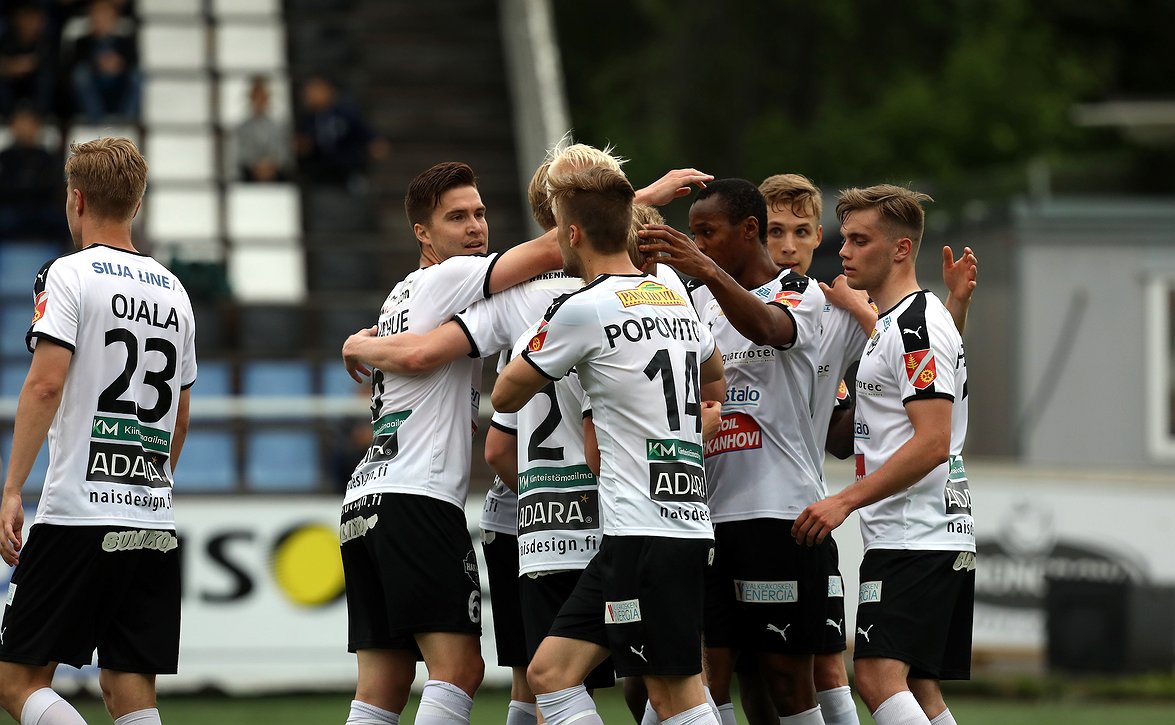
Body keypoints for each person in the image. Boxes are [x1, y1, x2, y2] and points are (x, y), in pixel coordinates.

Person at [493, 155, 724, 725]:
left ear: (570, 234)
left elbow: (504, 396)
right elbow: (714, 375)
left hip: (644, 532)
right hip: (667, 520)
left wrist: (543, 340)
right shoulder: (675, 300)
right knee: (551, 672)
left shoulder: (582, 309)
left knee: (675, 692)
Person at [336, 161, 562, 725]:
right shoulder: (447, 279)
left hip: (367, 498)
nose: (475, 227)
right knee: (459, 670)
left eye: (480, 213)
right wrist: (642, 197)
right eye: (456, 217)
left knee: (382, 686)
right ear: (422, 233)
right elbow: (561, 245)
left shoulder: (400, 294)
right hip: (418, 497)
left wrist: (355, 345)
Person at [0, 137, 197, 725]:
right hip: (150, 515)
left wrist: (12, 489)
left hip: (79, 513)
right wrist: (150, 488)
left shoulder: (66, 275)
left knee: (16, 679)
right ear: (136, 205)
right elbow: (180, 417)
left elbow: (44, 385)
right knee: (129, 689)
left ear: (76, 199)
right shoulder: (176, 291)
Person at [637, 179, 830, 725]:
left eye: (708, 233)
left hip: (778, 514)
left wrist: (707, 271)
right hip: (704, 515)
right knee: (701, 675)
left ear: (749, 231)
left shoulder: (799, 293)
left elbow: (769, 328)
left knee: (787, 680)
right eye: (693, 233)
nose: (699, 244)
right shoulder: (696, 304)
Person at [792, 185, 974, 725]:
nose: (842, 250)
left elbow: (933, 441)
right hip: (927, 531)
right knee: (920, 692)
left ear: (900, 249)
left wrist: (844, 500)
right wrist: (956, 308)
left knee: (875, 676)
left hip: (915, 534)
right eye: (843, 238)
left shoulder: (916, 324)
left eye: (858, 239)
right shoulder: (903, 322)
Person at [295, 75, 387, 190]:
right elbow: (302, 146)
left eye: (315, 91)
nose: (310, 96)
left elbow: (371, 138)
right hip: (319, 174)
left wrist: (372, 149)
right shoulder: (306, 119)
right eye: (308, 93)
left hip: (348, 170)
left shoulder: (345, 113)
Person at [0, 105, 65, 241]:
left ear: (37, 126)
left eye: (29, 123)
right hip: (11, 209)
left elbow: (53, 186)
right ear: (12, 126)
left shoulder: (47, 157)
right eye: (20, 122)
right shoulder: (4, 157)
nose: (25, 128)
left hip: (41, 210)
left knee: (64, 222)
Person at [68, 0, 140, 123]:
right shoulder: (81, 43)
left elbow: (133, 64)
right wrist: (96, 65)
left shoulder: (125, 42)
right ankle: (97, 123)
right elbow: (71, 69)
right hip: (94, 91)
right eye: (97, 15)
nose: (101, 20)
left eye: (106, 15)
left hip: (118, 89)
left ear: (115, 19)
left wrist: (118, 65)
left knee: (138, 75)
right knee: (80, 74)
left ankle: (127, 122)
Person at [234, 75, 293, 182]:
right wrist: (256, 167)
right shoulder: (242, 127)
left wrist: (271, 166)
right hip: (249, 178)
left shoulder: (280, 125)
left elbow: (284, 155)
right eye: (256, 96)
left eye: (263, 96)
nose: (259, 100)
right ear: (250, 97)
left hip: (278, 177)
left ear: (268, 97)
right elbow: (240, 156)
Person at [0, 3, 55, 117]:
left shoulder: (46, 40)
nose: (30, 23)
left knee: (46, 79)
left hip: (35, 82)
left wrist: (17, 64)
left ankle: (38, 118)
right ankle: (8, 118)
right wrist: (18, 65)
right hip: (12, 82)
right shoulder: (7, 38)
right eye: (26, 18)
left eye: (33, 19)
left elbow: (45, 62)